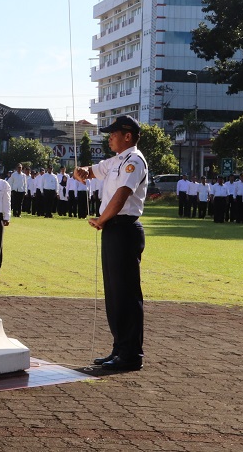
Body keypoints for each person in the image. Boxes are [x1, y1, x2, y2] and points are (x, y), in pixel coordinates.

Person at [73, 115, 147, 372]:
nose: (109, 137)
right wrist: (82, 171)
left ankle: (130, 354)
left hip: (124, 228)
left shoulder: (134, 161)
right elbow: (92, 171)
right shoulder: (117, 160)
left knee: (126, 292)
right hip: (113, 229)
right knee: (114, 293)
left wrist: (101, 219)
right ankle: (119, 348)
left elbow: (121, 194)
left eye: (113, 133)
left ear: (128, 136)